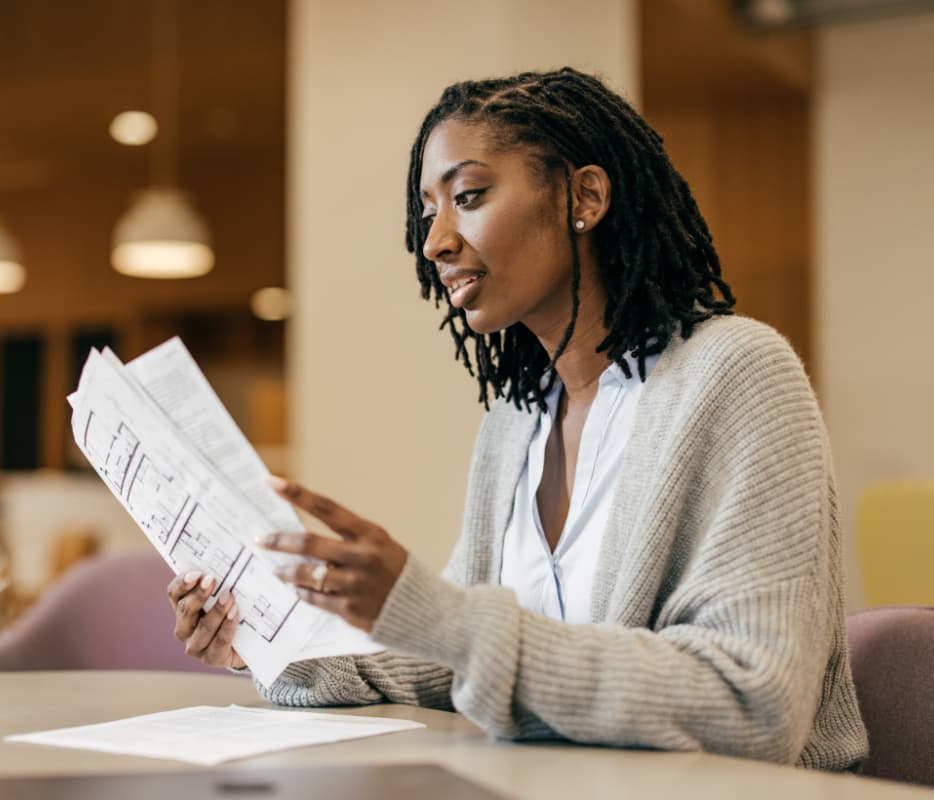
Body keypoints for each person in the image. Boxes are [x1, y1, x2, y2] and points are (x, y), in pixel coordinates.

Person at [167, 68, 868, 769]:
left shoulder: (737, 373)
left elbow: (753, 705)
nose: (436, 241)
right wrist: (272, 643)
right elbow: (456, 662)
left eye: (468, 197)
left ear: (584, 197)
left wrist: (441, 616)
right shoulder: (516, 421)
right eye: (427, 212)